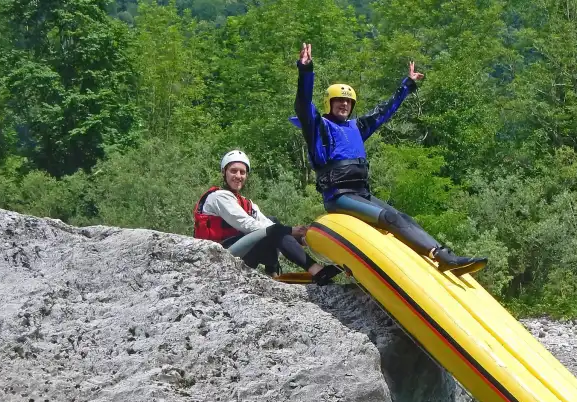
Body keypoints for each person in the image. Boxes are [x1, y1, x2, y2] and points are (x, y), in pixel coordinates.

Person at [291, 43, 487, 276]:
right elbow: (303, 104)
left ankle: (444, 256)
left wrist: (407, 85)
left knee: (404, 218)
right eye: (339, 100)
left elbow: (384, 111)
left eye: (348, 101)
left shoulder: (357, 127)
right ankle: (439, 256)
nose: (344, 104)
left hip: (361, 193)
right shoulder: (319, 128)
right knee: (389, 217)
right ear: (329, 103)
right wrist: (305, 71)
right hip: (339, 196)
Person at [193, 149, 340, 284]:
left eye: (242, 172)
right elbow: (247, 225)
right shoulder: (218, 197)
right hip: (219, 256)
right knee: (274, 229)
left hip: (239, 252)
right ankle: (317, 270)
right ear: (224, 172)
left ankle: (273, 272)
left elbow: (267, 223)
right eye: (233, 171)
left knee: (273, 222)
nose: (238, 176)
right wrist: (290, 230)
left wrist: (301, 238)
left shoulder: (247, 203)